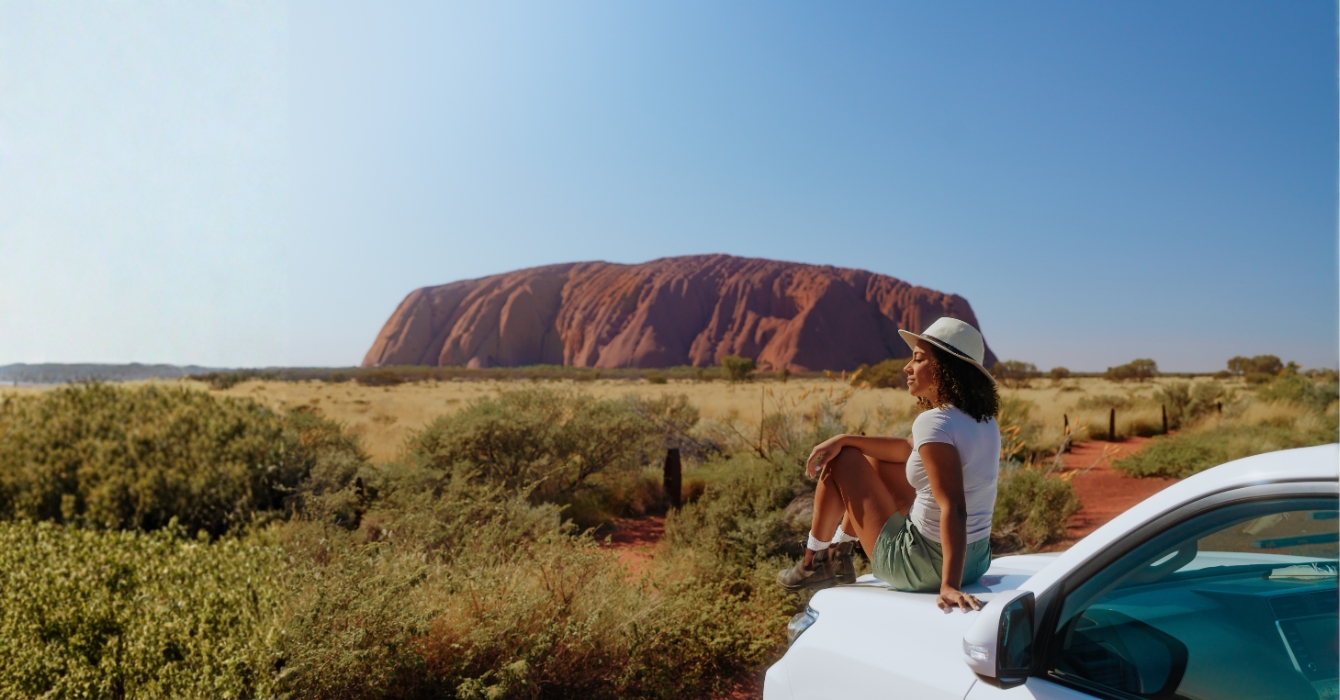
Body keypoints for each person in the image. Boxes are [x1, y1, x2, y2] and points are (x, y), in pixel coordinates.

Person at [776, 317, 1001, 613]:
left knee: (844, 460)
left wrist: (949, 585)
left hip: (926, 567)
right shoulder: (983, 421)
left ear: (946, 369)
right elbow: (910, 449)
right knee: (873, 458)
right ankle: (841, 552)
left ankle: (813, 561)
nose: (908, 368)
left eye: (919, 359)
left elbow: (954, 507)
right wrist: (845, 437)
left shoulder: (934, 422)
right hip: (976, 561)